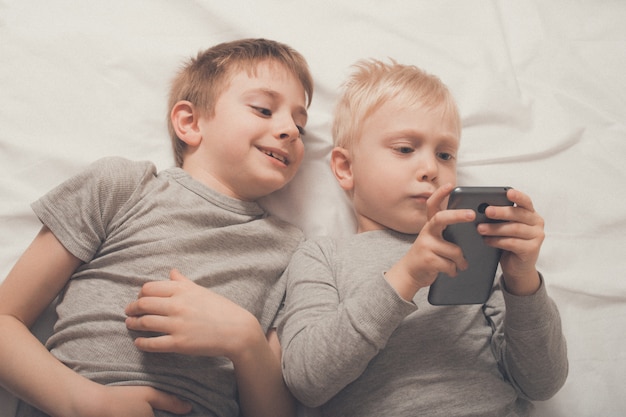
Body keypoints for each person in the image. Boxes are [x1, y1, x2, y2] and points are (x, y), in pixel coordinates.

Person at [0, 38, 313, 417]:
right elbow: (5, 321)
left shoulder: (295, 252)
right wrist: (85, 402)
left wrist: (245, 339)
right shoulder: (121, 186)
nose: (292, 131)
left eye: (301, 124)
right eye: (264, 109)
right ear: (190, 122)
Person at [278, 59, 568, 417]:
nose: (431, 169)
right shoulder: (321, 256)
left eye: (445, 154)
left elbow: (541, 384)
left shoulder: (475, 252)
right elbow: (307, 381)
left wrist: (523, 282)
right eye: (404, 148)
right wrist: (407, 276)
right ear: (346, 168)